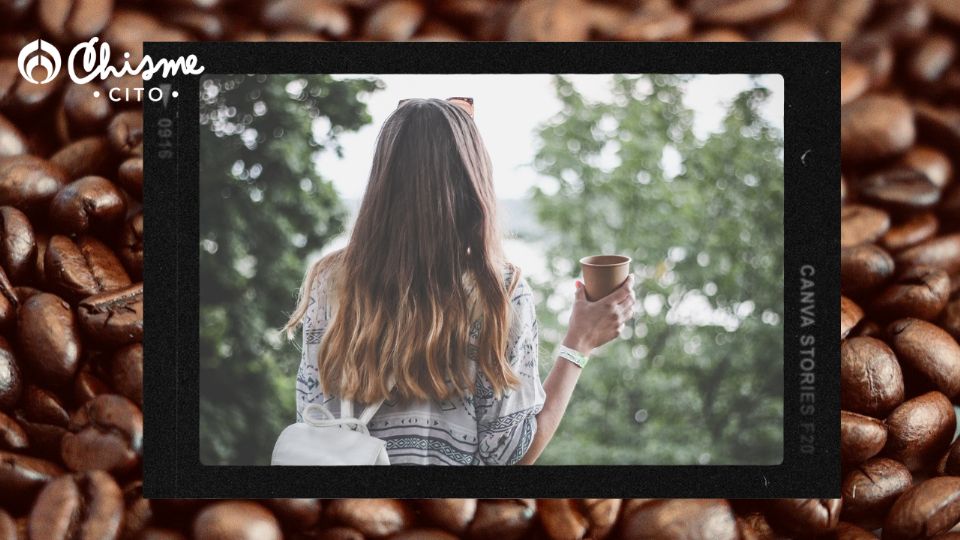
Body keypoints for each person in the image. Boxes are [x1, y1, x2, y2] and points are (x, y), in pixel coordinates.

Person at [283, 97, 635, 465]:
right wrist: (579, 343)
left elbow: (313, 424)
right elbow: (510, 457)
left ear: (382, 180)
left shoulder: (331, 282)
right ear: (472, 183)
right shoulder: (497, 292)